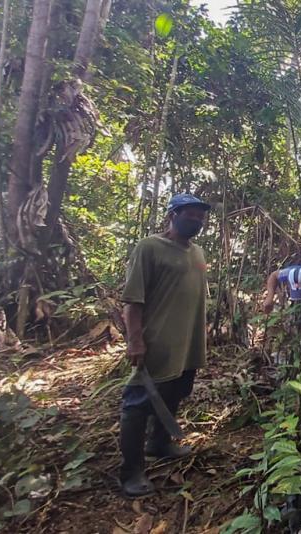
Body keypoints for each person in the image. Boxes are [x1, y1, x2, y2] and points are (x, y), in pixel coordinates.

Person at [118, 193, 211, 497]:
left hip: (188, 343)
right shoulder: (149, 247)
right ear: (173, 215)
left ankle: (159, 443)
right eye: (190, 214)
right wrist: (135, 340)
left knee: (175, 392)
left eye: (200, 216)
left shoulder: (198, 252)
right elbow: (132, 300)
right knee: (138, 403)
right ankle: (131, 472)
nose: (196, 220)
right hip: (157, 341)